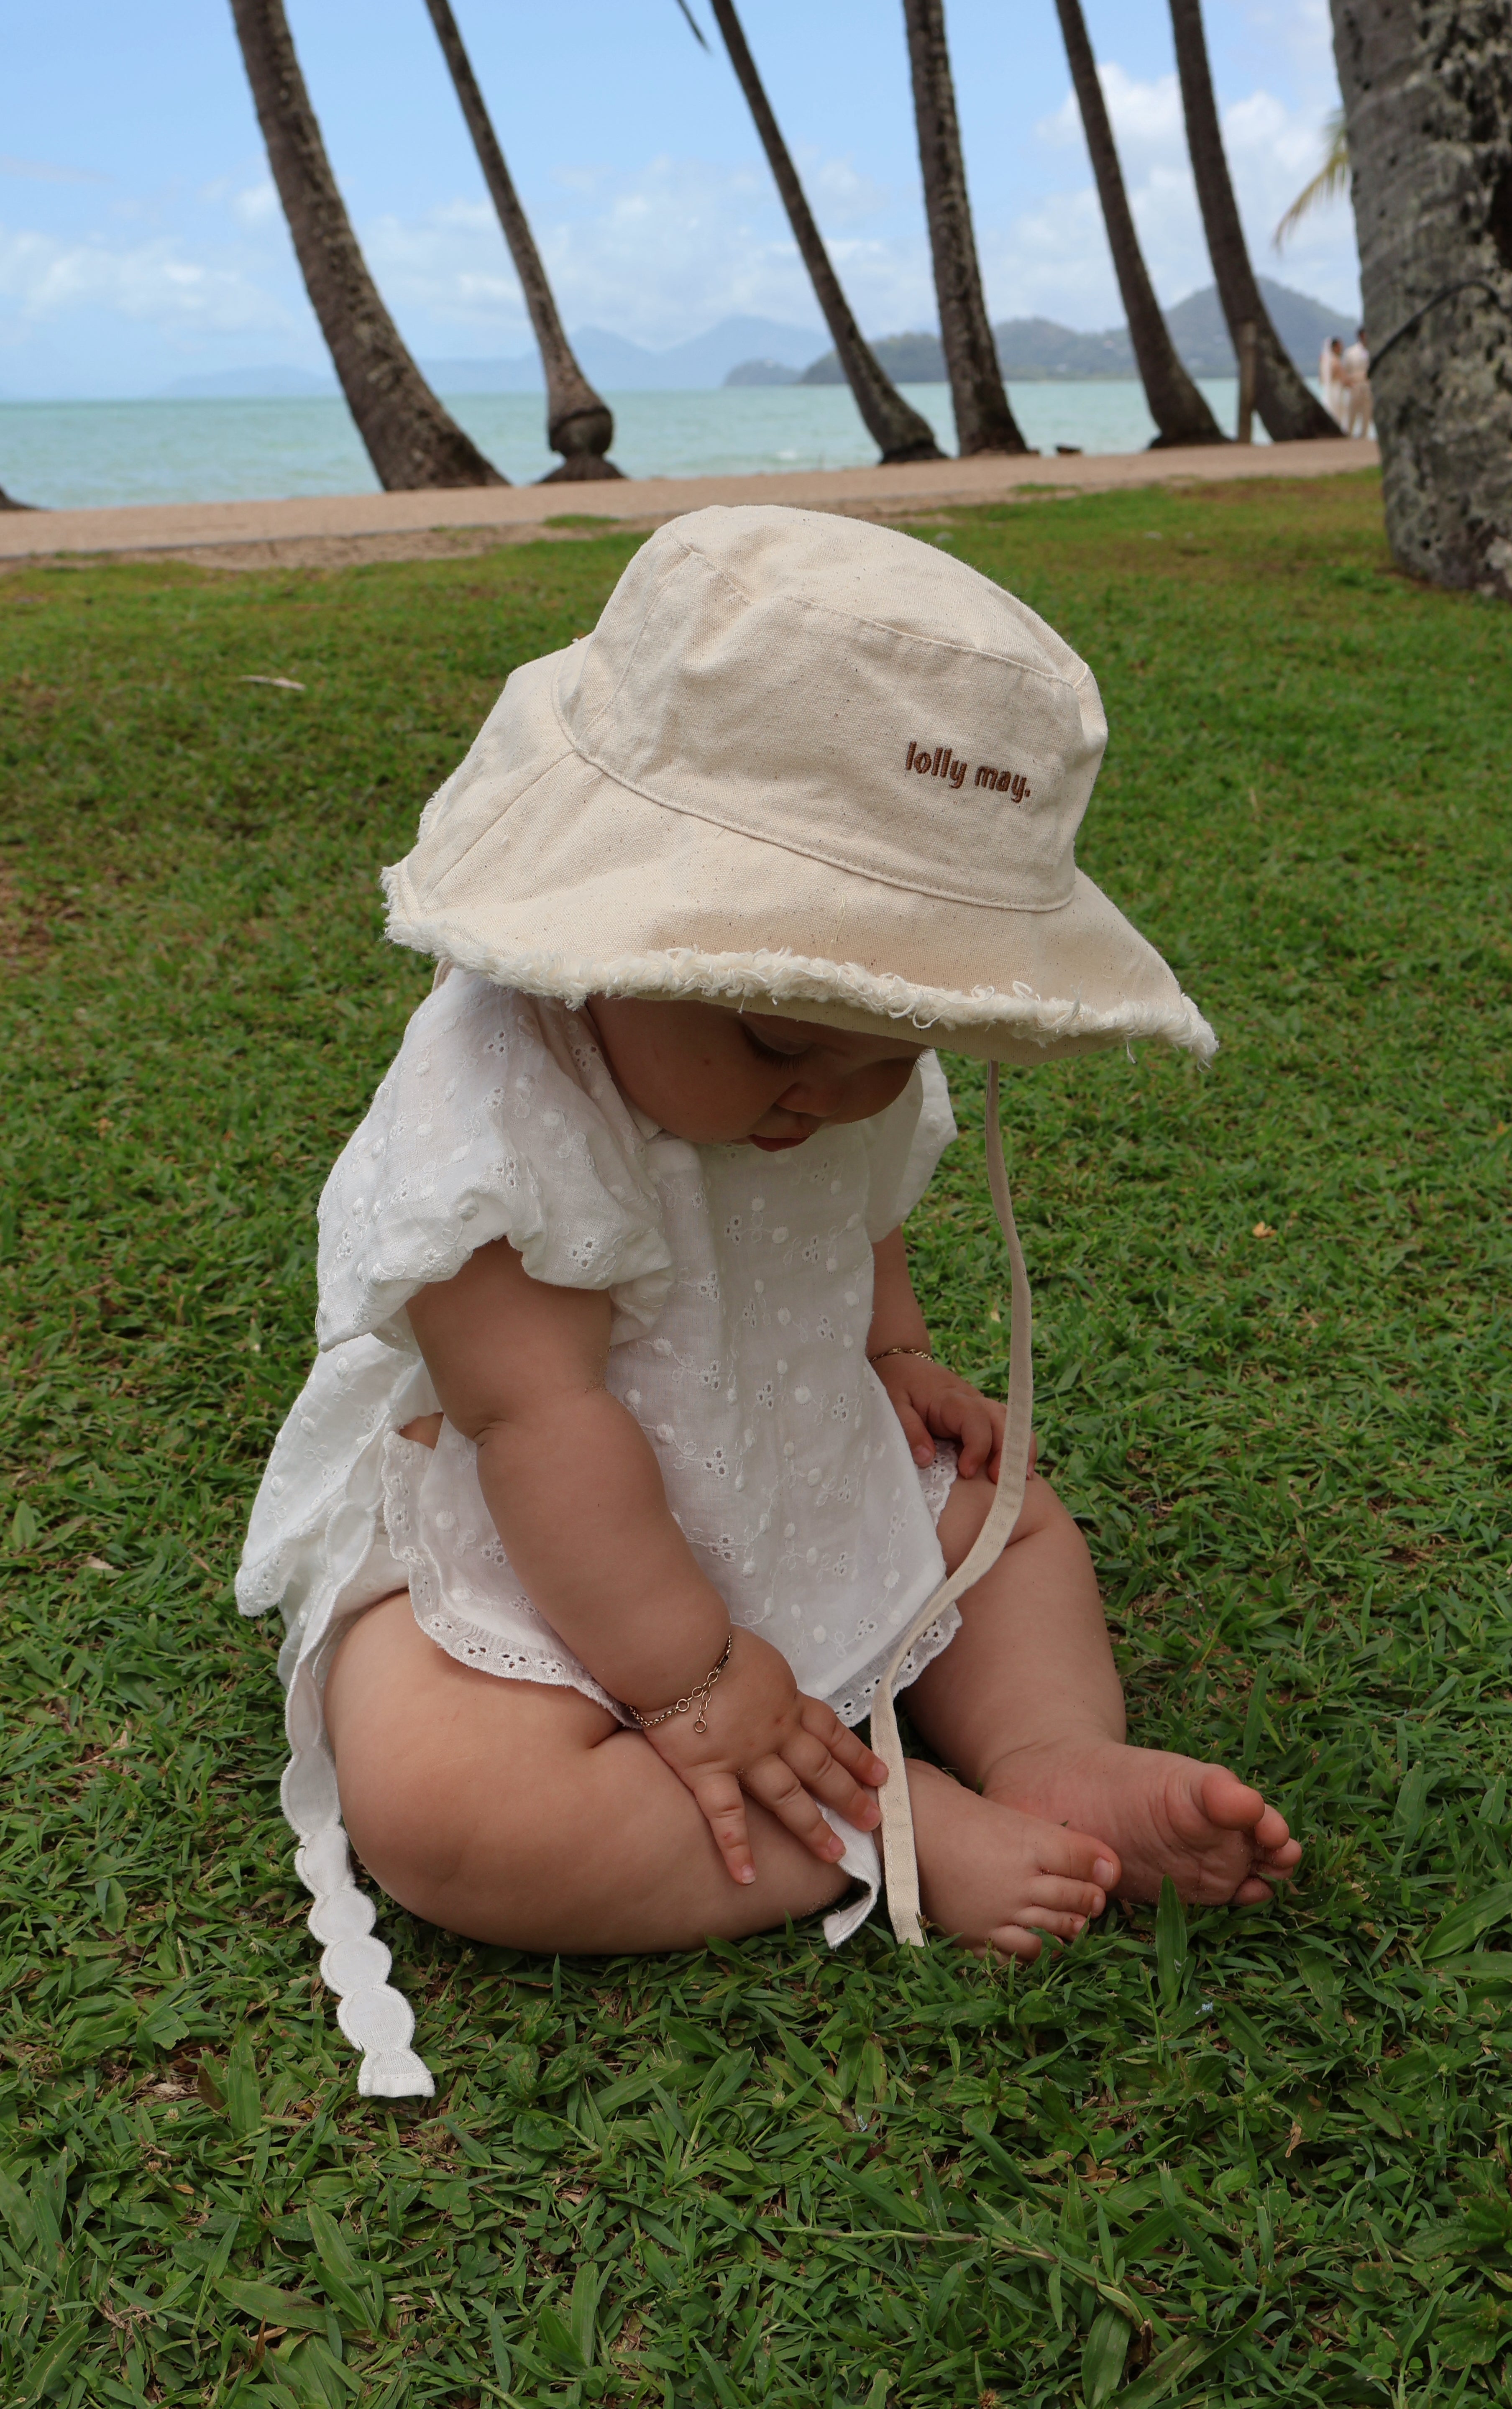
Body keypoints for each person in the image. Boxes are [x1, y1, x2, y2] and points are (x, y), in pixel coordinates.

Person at [237, 506, 1302, 2097]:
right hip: (548, 1547)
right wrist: (692, 1681)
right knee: (451, 1809)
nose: (833, 1096)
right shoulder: (506, 1100)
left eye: (890, 1047)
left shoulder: (837, 1064)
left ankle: (1047, 1750)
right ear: (611, 919)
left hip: (789, 1450)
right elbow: (535, 1416)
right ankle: (874, 1826)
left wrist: (895, 1348)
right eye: (778, 1045)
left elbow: (856, 1218)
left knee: (1012, 1523)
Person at [1341, 328, 1374, 437]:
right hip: (1355, 386)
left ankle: (1364, 437)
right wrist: (1348, 384)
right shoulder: (1351, 352)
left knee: (1367, 415)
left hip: (1368, 387)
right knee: (1352, 414)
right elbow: (1345, 371)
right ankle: (1348, 436)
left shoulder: (1373, 351)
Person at [1320, 335, 1346, 425]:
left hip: (1329, 391)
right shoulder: (1336, 362)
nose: (1342, 349)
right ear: (1335, 348)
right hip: (1337, 391)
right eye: (1340, 346)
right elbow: (1344, 379)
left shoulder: (1325, 361)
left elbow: (1322, 380)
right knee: (1337, 415)